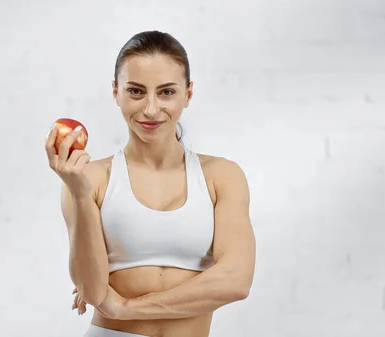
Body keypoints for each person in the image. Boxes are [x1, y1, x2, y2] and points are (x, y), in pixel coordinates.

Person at [45, 30, 256, 337]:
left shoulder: (222, 176)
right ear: (116, 93)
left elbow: (236, 281)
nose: (151, 109)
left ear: (188, 94)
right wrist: (79, 194)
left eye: (167, 92)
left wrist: (128, 308)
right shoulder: (89, 179)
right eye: (136, 91)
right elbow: (91, 290)